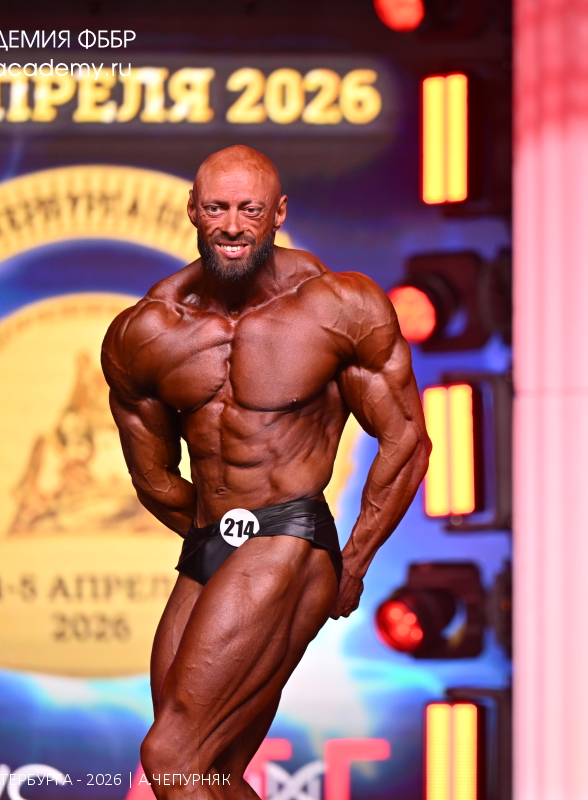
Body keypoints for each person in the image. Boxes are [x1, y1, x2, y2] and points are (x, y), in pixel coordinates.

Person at [101, 145, 430, 799]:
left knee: (170, 755)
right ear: (192, 210)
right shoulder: (147, 331)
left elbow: (406, 440)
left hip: (289, 535)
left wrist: (352, 562)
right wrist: (219, 534)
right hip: (210, 544)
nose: (232, 225)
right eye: (217, 208)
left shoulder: (338, 305)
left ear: (277, 213)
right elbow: (154, 476)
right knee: (207, 771)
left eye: (249, 210)